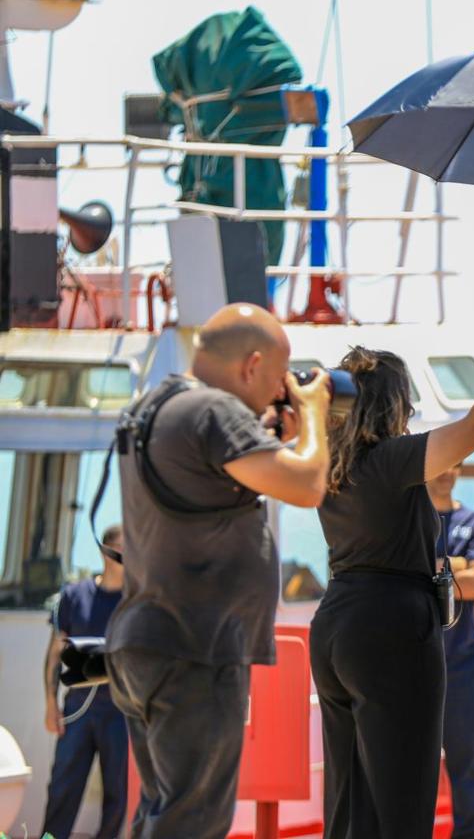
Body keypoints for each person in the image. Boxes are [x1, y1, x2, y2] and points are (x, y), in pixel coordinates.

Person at [310, 312, 474, 839]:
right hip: (391, 627)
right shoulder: (392, 459)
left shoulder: (330, 464)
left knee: (349, 799)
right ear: (393, 404)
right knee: (403, 796)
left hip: (336, 622)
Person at [107, 303, 332, 839]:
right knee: (193, 822)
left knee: (163, 814)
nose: (281, 392)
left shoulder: (157, 406)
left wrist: (272, 432)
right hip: (195, 650)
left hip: (148, 641)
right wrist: (316, 413)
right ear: (252, 366)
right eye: (278, 379)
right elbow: (306, 485)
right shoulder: (212, 412)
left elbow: (213, 486)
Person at [428, 464, 474, 839]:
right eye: (438, 461)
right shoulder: (409, 519)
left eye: (454, 461)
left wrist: (430, 570)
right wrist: (458, 565)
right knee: (408, 764)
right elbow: (466, 577)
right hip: (413, 667)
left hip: (461, 664)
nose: (446, 470)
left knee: (467, 761)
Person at [41, 524, 127, 839]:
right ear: (108, 551)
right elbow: (54, 653)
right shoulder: (74, 596)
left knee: (120, 794)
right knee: (63, 788)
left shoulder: (138, 600)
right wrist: (51, 704)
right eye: (125, 546)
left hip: (121, 712)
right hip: (78, 710)